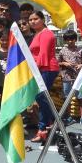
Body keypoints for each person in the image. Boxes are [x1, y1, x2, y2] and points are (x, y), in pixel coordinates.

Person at [27, 12, 59, 142]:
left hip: (46, 68)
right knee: (41, 98)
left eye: (36, 19)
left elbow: (43, 55)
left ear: (42, 19)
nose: (33, 21)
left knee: (41, 96)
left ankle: (45, 126)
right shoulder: (37, 33)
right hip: (41, 69)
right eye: (30, 19)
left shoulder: (46, 33)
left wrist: (36, 71)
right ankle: (48, 123)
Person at [57, 30, 82, 126]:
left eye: (72, 39)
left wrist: (81, 65)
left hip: (79, 78)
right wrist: (64, 63)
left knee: (81, 97)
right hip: (66, 77)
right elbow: (58, 63)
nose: (70, 41)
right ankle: (69, 116)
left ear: (75, 39)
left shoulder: (81, 50)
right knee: (67, 97)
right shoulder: (62, 51)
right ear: (65, 40)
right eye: (68, 39)